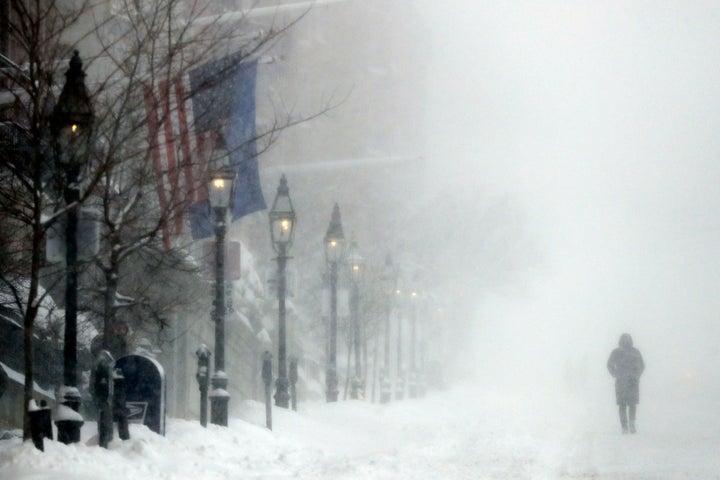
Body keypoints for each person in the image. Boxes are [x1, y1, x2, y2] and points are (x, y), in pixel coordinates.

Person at [607, 333, 645, 433]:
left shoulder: (617, 352)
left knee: (624, 405)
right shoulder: (634, 352)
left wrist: (616, 374)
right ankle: (629, 425)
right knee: (629, 405)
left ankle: (626, 426)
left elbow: (642, 366)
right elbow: (642, 366)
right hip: (629, 382)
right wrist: (636, 375)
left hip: (624, 382)